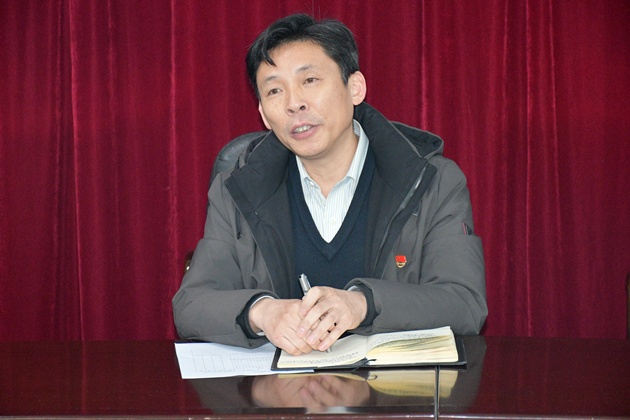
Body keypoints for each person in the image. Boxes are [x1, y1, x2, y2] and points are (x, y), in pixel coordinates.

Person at [172, 13, 487, 356]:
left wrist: (363, 304)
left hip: (393, 389)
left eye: (310, 80)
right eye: (275, 90)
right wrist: (261, 312)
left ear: (355, 88)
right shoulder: (237, 188)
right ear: (263, 114)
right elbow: (191, 304)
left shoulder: (432, 180)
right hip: (278, 388)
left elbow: (464, 303)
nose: (294, 103)